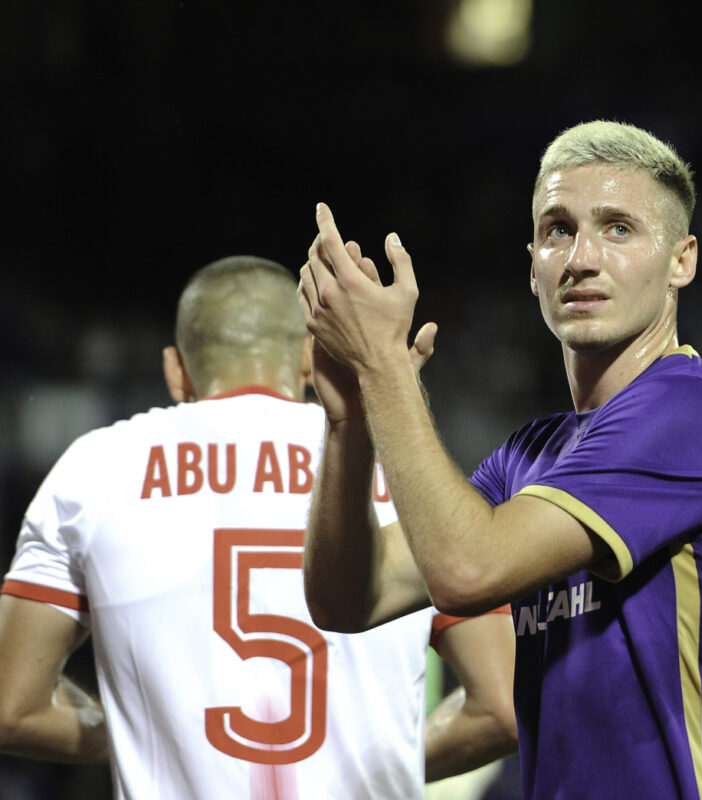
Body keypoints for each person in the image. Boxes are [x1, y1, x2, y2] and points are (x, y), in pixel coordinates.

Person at [297, 120, 702, 799]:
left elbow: (468, 571)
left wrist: (383, 362)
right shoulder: (530, 455)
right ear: (531, 263)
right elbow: (351, 597)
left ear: (682, 260)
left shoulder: (697, 414)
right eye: (558, 229)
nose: (581, 257)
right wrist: (349, 416)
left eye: (619, 229)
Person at [0, 256, 517, 799]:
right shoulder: (401, 466)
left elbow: (14, 708)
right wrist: (377, 759)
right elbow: (502, 705)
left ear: (176, 370)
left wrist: (151, 736)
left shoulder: (93, 469)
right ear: (307, 357)